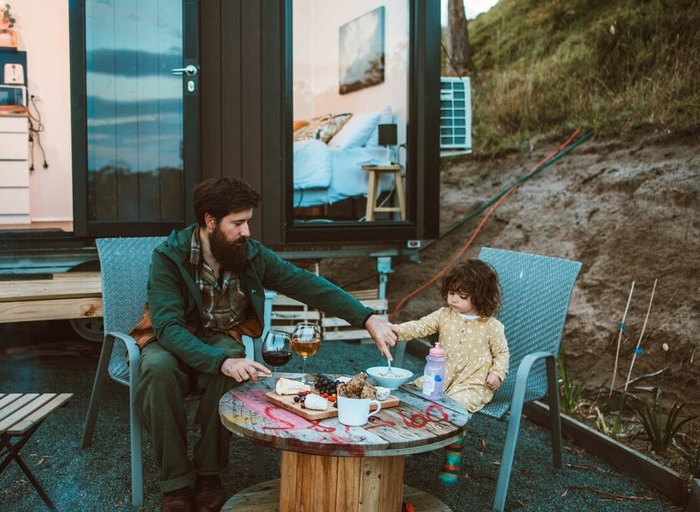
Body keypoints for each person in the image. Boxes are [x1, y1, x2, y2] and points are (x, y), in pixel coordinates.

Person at [135, 176, 399, 512]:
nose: (247, 231)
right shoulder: (169, 257)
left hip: (218, 338)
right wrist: (220, 361)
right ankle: (175, 484)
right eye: (239, 223)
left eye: (248, 221)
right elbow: (169, 328)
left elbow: (306, 284)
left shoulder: (249, 255)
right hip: (172, 339)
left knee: (235, 362)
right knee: (157, 369)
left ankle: (209, 474)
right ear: (210, 221)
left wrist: (367, 318)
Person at [394, 258, 509, 486]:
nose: (454, 299)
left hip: (473, 382)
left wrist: (497, 374)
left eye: (463, 296)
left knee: (454, 406)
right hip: (442, 375)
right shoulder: (443, 315)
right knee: (413, 393)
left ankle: (452, 458)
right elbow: (420, 326)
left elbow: (502, 354)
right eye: (451, 293)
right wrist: (395, 331)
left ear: (481, 297)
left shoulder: (491, 326)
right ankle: (425, 440)